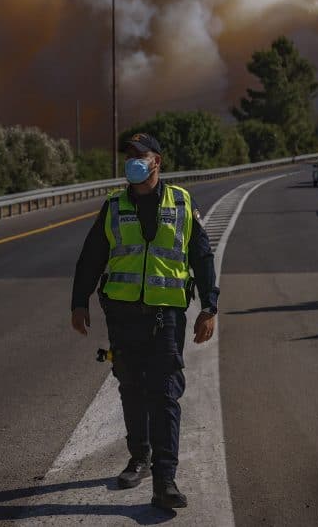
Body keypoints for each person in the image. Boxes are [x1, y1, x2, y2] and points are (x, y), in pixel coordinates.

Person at [70, 133, 219, 511]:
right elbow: (91, 257)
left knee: (165, 393)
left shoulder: (182, 203)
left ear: (157, 162)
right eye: (128, 156)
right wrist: (79, 301)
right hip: (122, 317)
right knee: (130, 387)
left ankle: (165, 480)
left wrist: (209, 307)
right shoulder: (114, 206)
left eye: (140, 155)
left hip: (165, 316)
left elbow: (201, 257)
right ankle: (140, 457)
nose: (132, 161)